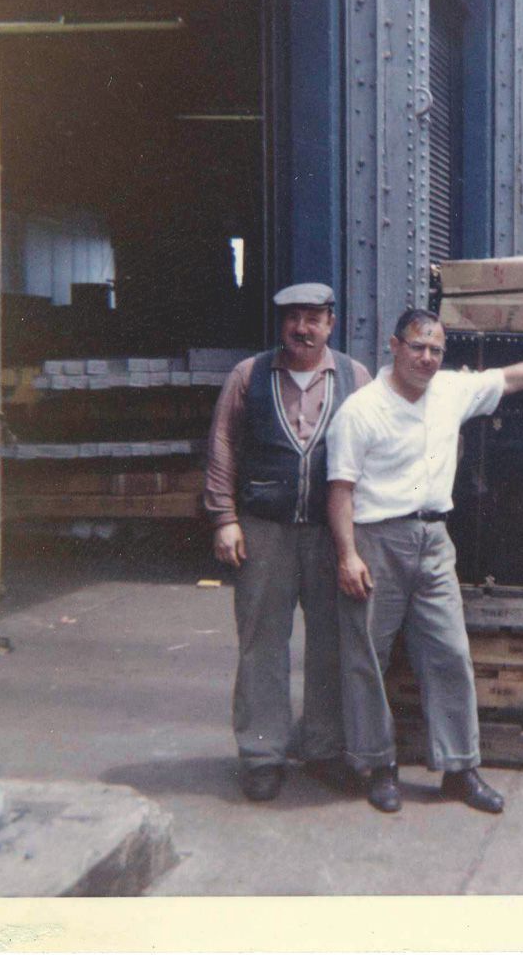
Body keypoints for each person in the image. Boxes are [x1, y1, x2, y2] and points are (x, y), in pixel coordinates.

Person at [326, 308, 523, 813]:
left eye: (435, 350)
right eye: (417, 347)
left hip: (434, 541)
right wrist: (347, 555)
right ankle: (377, 766)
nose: (427, 358)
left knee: (450, 653)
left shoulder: (451, 391)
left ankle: (459, 769)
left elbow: (513, 377)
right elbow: (340, 489)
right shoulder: (361, 410)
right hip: (376, 543)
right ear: (394, 346)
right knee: (368, 658)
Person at [205, 283, 371, 801]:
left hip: (331, 534)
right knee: (262, 644)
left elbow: (376, 446)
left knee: (330, 644)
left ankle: (322, 749)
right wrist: (224, 518)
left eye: (313, 318)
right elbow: (223, 445)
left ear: (331, 322)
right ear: (282, 323)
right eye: (293, 318)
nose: (303, 328)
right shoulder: (248, 375)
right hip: (263, 530)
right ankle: (262, 754)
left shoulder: (355, 377)